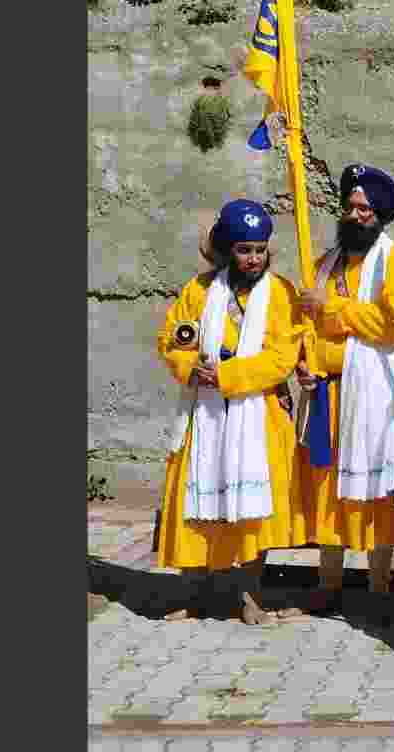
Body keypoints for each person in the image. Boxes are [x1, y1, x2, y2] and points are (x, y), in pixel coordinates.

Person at [153, 198, 305, 624]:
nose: (253, 258)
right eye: (244, 249)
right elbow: (172, 340)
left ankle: (250, 596)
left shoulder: (281, 293)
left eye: (259, 249)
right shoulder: (198, 292)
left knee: (254, 508)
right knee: (193, 502)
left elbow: (282, 356)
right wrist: (189, 366)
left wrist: (228, 375)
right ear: (226, 249)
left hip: (259, 413)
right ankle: (194, 594)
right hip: (203, 415)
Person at [291, 163, 394, 617]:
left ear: (381, 214)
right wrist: (304, 363)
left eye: (365, 208)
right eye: (349, 206)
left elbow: (392, 326)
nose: (355, 214)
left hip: (374, 397)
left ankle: (380, 585)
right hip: (325, 392)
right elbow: (302, 325)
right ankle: (327, 585)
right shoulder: (323, 264)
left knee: (375, 491)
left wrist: (336, 307)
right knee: (326, 486)